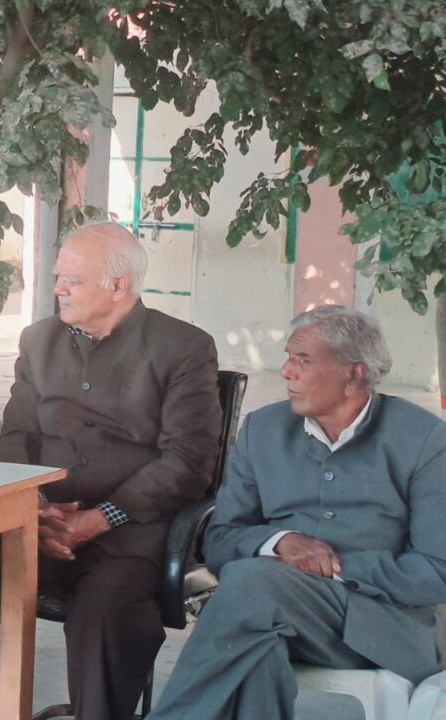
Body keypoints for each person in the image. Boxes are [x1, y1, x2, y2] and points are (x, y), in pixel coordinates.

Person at [0, 222, 223, 719]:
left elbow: (188, 461)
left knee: (103, 612)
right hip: (37, 523)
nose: (58, 288)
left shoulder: (182, 348)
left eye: (73, 280)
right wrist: (36, 509)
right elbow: (16, 437)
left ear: (118, 286)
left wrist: (102, 517)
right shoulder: (40, 340)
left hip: (129, 531)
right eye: (58, 277)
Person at [148, 306, 446, 720]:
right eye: (288, 358)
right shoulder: (263, 429)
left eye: (303, 360)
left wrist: (332, 568)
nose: (287, 372)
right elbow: (219, 540)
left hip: (383, 627)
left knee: (251, 583)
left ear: (353, 374)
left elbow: (436, 571)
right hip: (271, 613)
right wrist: (281, 542)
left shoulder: (424, 439)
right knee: (257, 647)